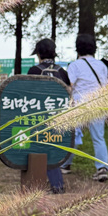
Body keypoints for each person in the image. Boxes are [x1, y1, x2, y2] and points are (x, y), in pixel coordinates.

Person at [65, 32, 108, 181]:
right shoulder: (102, 66)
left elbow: (69, 86)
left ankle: (65, 164)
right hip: (98, 104)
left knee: (73, 135)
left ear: (77, 48)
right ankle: (102, 168)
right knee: (98, 138)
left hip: (80, 104)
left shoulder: (74, 65)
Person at [28, 38, 70, 194]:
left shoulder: (34, 70)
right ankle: (55, 183)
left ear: (39, 54)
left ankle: (54, 185)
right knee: (52, 148)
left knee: (41, 148)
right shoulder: (62, 72)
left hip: (39, 117)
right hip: (60, 117)